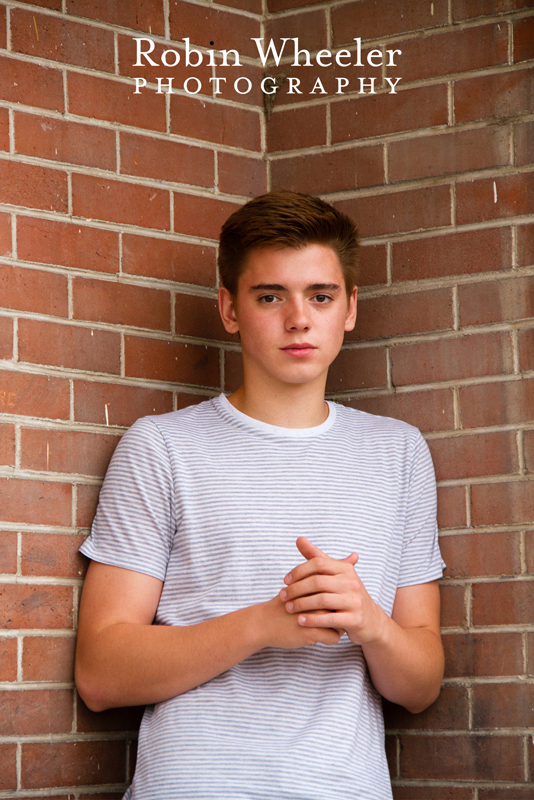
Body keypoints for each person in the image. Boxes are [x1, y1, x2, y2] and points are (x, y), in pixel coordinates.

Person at [75, 190, 445, 800]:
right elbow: (100, 673)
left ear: (350, 308)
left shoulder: (399, 453)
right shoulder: (161, 447)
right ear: (229, 308)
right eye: (270, 296)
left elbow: (422, 685)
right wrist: (265, 625)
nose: (299, 318)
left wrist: (369, 624)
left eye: (320, 296)